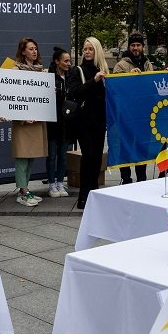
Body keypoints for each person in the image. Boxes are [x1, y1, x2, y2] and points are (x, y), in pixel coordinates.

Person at [66, 37, 108, 209]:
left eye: (91, 49)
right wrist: (94, 80)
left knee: (97, 157)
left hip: (99, 120)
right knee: (88, 156)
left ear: (96, 50)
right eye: (85, 49)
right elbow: (76, 92)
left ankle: (94, 191)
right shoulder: (78, 70)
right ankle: (84, 195)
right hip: (84, 121)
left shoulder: (103, 70)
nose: (87, 52)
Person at [10, 37, 49, 207]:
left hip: (37, 119)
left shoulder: (42, 71)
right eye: (30, 49)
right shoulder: (15, 70)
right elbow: (11, 96)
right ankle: (22, 190)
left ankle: (25, 188)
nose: (34, 51)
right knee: (22, 157)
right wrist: (22, 116)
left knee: (31, 155)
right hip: (23, 121)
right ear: (23, 51)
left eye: (35, 48)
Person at [112, 33, 153, 183]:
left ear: (142, 47)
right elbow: (115, 88)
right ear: (129, 47)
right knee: (126, 145)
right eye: (133, 45)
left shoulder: (148, 64)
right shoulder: (121, 65)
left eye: (138, 45)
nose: (136, 48)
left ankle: (142, 177)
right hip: (126, 115)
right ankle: (126, 178)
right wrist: (128, 76)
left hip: (143, 114)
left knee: (142, 145)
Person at [46, 46, 73, 197]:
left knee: (63, 155)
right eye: (65, 61)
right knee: (51, 155)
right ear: (57, 62)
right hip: (52, 123)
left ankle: (61, 183)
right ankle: (51, 184)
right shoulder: (49, 78)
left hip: (67, 123)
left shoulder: (70, 78)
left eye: (69, 61)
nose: (68, 63)